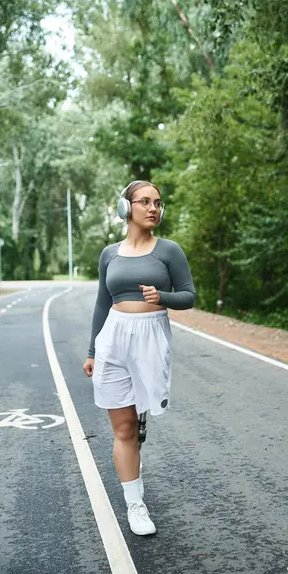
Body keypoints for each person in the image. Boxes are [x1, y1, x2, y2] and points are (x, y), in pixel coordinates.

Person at [82, 180, 196, 536]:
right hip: (114, 337)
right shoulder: (109, 254)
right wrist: (92, 352)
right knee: (124, 427)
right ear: (125, 207)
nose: (153, 208)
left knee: (136, 418)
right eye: (144, 201)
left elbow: (189, 296)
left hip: (150, 337)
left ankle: (139, 415)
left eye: (158, 203)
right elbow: (103, 302)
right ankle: (136, 504)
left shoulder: (169, 251)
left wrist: (162, 296)